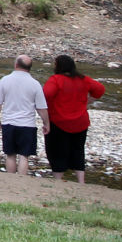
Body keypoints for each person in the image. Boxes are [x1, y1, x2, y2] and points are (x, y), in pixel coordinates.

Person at [42, 54, 106, 183]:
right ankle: (81, 181)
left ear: (58, 66)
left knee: (57, 151)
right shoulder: (84, 79)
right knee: (78, 150)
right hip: (80, 122)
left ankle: (58, 180)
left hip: (59, 121)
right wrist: (87, 102)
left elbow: (46, 94)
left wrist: (48, 109)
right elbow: (100, 89)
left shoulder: (56, 79)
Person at [0, 55, 50, 175]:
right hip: (27, 124)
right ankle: (22, 180)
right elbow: (41, 107)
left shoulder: (5, 80)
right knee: (24, 156)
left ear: (16, 65)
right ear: (29, 68)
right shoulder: (35, 84)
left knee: (10, 155)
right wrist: (46, 123)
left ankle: (10, 179)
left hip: (9, 122)